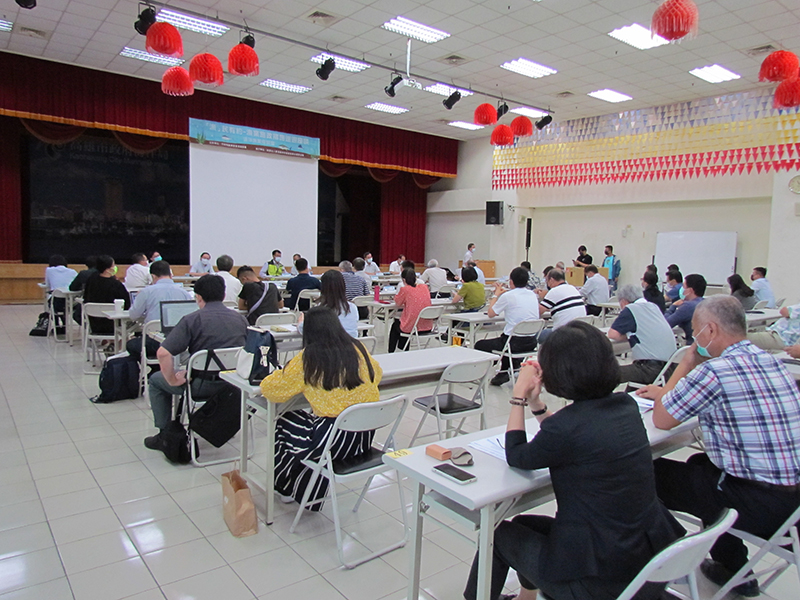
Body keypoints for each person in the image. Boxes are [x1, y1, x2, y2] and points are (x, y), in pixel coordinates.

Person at [464, 322, 684, 600]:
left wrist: (518, 396)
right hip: (640, 560)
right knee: (524, 525)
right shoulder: (625, 406)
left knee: (498, 536)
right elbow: (568, 435)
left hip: (597, 582)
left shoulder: (567, 427)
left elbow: (518, 456)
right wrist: (536, 405)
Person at [636, 296, 800, 598]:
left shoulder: (714, 371)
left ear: (710, 330)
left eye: (695, 331)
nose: (693, 338)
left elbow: (661, 418)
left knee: (645, 474)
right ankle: (734, 568)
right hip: (792, 505)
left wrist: (687, 362)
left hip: (757, 504)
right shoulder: (772, 362)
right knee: (700, 466)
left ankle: (666, 565)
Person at [260, 306, 382, 507]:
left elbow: (271, 391)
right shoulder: (358, 348)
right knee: (309, 420)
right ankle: (304, 490)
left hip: (331, 443)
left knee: (285, 420)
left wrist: (283, 373)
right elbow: (377, 373)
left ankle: (286, 487)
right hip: (362, 439)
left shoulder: (309, 358)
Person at [144, 275, 248, 456]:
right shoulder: (241, 319)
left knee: (155, 380)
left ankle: (164, 434)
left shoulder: (192, 319)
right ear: (223, 295)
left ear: (198, 297)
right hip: (234, 386)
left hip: (201, 386)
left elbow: (163, 353)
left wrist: (172, 379)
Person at [475, 267, 540, 386]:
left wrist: (496, 295)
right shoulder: (532, 295)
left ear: (511, 281)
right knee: (505, 339)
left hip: (513, 343)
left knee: (480, 344)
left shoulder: (508, 296)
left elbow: (491, 313)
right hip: (531, 342)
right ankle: (505, 371)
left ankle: (483, 373)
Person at [608, 284, 677, 385]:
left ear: (623, 301)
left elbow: (612, 334)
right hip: (669, 369)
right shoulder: (653, 306)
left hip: (650, 369)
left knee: (608, 374)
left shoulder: (630, 309)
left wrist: (629, 335)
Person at [126, 260, 192, 363]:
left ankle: (151, 367)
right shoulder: (185, 293)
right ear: (170, 274)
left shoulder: (146, 292)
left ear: (153, 276)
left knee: (131, 344)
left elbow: (133, 315)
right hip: (179, 343)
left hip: (155, 342)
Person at [535, 268, 585, 345]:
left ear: (551, 280)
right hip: (580, 331)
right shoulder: (573, 288)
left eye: (547, 281)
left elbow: (538, 311)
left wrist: (535, 298)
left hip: (563, 333)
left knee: (534, 336)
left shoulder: (554, 291)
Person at [83, 255, 130, 335]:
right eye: (113, 265)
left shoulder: (91, 280)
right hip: (113, 324)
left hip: (94, 322)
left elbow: (85, 297)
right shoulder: (116, 285)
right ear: (108, 269)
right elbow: (127, 304)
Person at [388, 268, 432, 353]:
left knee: (396, 325)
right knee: (404, 322)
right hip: (427, 326)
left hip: (412, 327)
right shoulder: (424, 287)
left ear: (404, 280)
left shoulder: (405, 289)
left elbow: (398, 303)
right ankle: (403, 347)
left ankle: (391, 352)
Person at [307, 270, 358, 337]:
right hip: (351, 342)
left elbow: (307, 329)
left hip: (329, 343)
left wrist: (300, 322)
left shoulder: (320, 310)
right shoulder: (352, 307)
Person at [665, 273, 706, 343]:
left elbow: (666, 324)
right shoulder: (705, 303)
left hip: (691, 344)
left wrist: (673, 307)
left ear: (690, 290)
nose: (681, 289)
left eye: (683, 286)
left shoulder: (687, 306)